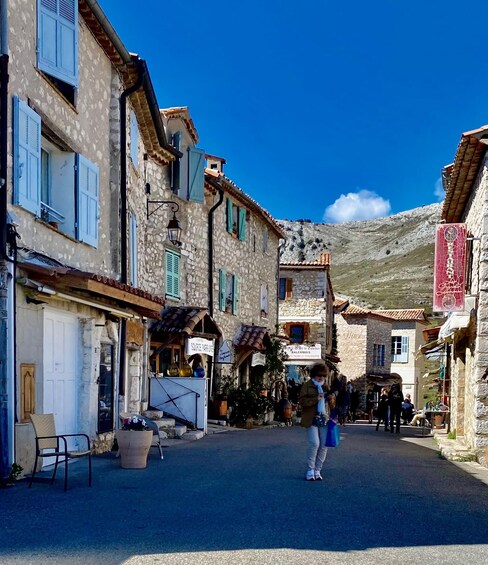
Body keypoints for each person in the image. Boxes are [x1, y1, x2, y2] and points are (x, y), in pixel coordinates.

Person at [299, 362, 335, 481]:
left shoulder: (326, 387)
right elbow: (302, 402)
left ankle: (317, 470)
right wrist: (316, 398)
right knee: (315, 443)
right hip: (311, 418)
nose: (321, 378)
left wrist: (331, 399)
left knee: (324, 445)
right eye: (318, 375)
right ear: (313, 375)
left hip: (324, 419)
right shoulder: (307, 385)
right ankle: (310, 470)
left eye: (323, 376)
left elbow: (332, 406)